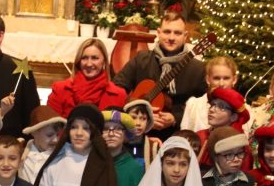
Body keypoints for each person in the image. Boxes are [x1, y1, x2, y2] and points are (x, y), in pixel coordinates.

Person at [112, 9, 207, 141]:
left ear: (185, 36)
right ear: (158, 33)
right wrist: (139, 113)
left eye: (177, 33)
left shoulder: (198, 69)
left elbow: (205, 105)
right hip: (141, 134)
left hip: (180, 136)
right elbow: (117, 88)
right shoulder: (142, 60)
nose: (171, 38)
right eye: (167, 31)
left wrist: (176, 118)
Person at [47, 38, 127, 118]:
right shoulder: (60, 90)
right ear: (78, 61)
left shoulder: (119, 95)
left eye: (95, 58)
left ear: (104, 61)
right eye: (84, 58)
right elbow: (51, 127)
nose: (89, 64)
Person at [180, 55, 239, 133]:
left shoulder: (242, 108)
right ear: (208, 80)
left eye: (226, 78)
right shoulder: (194, 105)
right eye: (216, 78)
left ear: (234, 80)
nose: (221, 84)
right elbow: (185, 137)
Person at [196, 87, 250, 170]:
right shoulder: (200, 136)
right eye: (212, 105)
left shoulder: (239, 146)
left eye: (221, 107)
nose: (212, 110)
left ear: (233, 117)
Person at [19, 105, 65, 183]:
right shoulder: (20, 152)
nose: (55, 140)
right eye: (49, 135)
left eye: (57, 135)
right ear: (34, 132)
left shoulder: (61, 157)